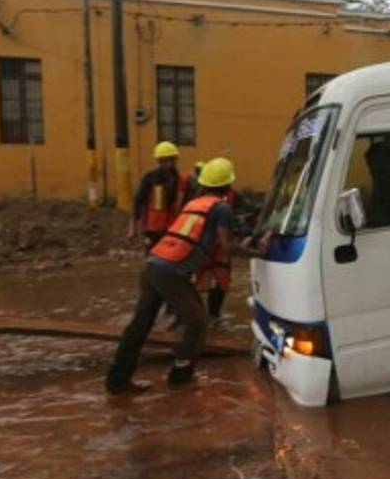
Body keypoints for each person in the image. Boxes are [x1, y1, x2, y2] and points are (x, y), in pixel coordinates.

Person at [106, 157, 271, 394]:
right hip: (172, 273)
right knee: (198, 323)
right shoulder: (222, 207)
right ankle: (181, 377)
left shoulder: (194, 204)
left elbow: (202, 238)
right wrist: (257, 252)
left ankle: (117, 381)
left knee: (139, 326)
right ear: (227, 185)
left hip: (153, 265)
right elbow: (225, 245)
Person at [131, 141, 187, 251]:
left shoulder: (181, 181)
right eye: (165, 161)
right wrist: (133, 227)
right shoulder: (150, 178)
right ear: (159, 161)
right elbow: (138, 201)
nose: (169, 164)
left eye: (172, 160)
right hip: (153, 229)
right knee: (153, 257)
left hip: (174, 228)